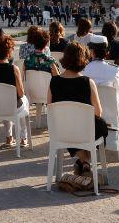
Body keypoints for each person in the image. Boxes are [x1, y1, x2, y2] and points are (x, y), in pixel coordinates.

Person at [47, 42, 108, 175]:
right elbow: (98, 112)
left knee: (70, 124)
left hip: (62, 131)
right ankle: (85, 161)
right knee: (100, 125)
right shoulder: (88, 82)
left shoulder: (54, 81)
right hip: (85, 131)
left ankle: (83, 161)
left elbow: (50, 109)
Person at [0, 34, 28, 148]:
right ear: (9, 52)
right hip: (11, 107)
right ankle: (23, 137)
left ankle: (9, 137)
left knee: (4, 99)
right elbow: (21, 93)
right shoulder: (13, 69)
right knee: (23, 100)